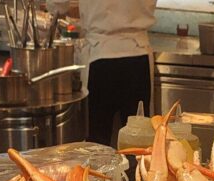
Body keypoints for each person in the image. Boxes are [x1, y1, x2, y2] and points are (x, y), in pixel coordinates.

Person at [49, 0, 157, 147]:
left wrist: (55, 8)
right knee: (139, 143)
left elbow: (57, 5)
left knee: (97, 143)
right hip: (138, 54)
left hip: (100, 56)